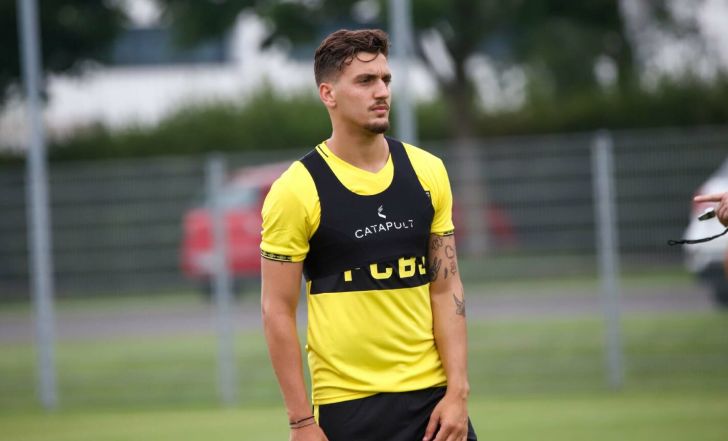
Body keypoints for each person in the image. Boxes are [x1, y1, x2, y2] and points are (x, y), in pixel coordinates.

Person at [260, 28, 477, 441]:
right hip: (349, 408)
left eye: (385, 79)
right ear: (328, 94)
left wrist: (458, 392)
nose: (381, 92)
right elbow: (276, 311)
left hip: (434, 405)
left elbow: (446, 289)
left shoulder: (428, 171)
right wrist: (301, 422)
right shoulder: (296, 189)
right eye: (365, 81)